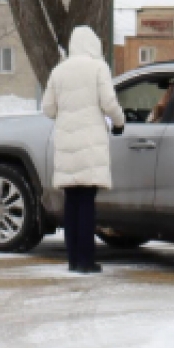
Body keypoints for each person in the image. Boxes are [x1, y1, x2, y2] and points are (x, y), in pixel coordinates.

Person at [41, 25, 124, 273]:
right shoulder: (99, 68)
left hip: (66, 142)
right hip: (90, 143)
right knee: (87, 202)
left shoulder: (58, 72)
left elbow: (48, 109)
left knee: (71, 203)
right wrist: (119, 122)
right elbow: (109, 102)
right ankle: (87, 261)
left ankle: (73, 259)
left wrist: (65, 113)